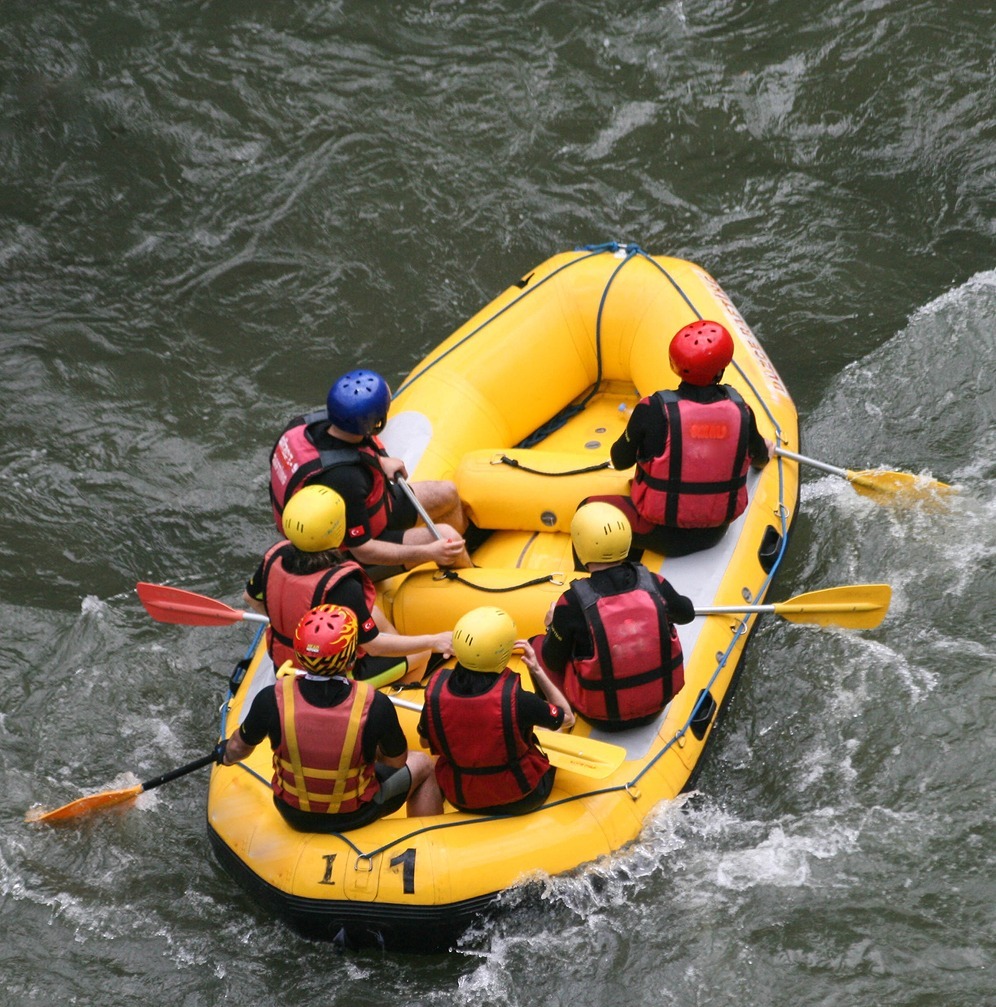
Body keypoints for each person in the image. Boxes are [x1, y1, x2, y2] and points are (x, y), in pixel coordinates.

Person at [217, 604, 444, 831]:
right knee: (423, 764)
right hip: (355, 814)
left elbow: (238, 749)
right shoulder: (375, 704)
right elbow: (395, 763)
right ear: (351, 659)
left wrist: (225, 754)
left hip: (292, 812)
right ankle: (424, 840)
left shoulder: (270, 699)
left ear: (299, 654)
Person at [591, 320, 773, 557]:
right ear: (721, 368)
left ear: (675, 364)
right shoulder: (742, 412)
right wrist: (765, 451)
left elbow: (619, 460)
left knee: (588, 511)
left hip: (661, 531)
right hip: (714, 532)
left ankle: (590, 585)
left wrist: (640, 440)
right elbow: (759, 458)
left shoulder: (652, 409)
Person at [269, 368, 471, 578]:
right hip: (348, 556)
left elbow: (331, 454)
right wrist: (428, 551)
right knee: (449, 538)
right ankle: (463, 573)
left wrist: (379, 460)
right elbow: (364, 550)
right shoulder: (347, 479)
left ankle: (456, 559)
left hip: (370, 512)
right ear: (374, 423)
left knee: (447, 492)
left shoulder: (306, 426)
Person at [244, 483, 452, 684]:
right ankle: (398, 692)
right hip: (335, 675)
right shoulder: (341, 585)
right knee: (421, 653)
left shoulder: (275, 556)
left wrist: (290, 621)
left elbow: (251, 598)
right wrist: (434, 641)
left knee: (374, 613)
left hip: (284, 663)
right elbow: (374, 647)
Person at [532, 502, 695, 732]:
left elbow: (552, 661)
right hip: (657, 707)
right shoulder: (653, 583)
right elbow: (686, 614)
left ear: (580, 545)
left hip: (601, 718)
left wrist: (552, 627)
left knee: (535, 648)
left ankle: (558, 718)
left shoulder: (571, 603)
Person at [418, 607, 574, 816]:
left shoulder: (435, 694)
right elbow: (567, 718)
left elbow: (425, 743)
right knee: (553, 730)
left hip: (462, 798)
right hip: (521, 795)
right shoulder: (520, 700)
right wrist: (536, 668)